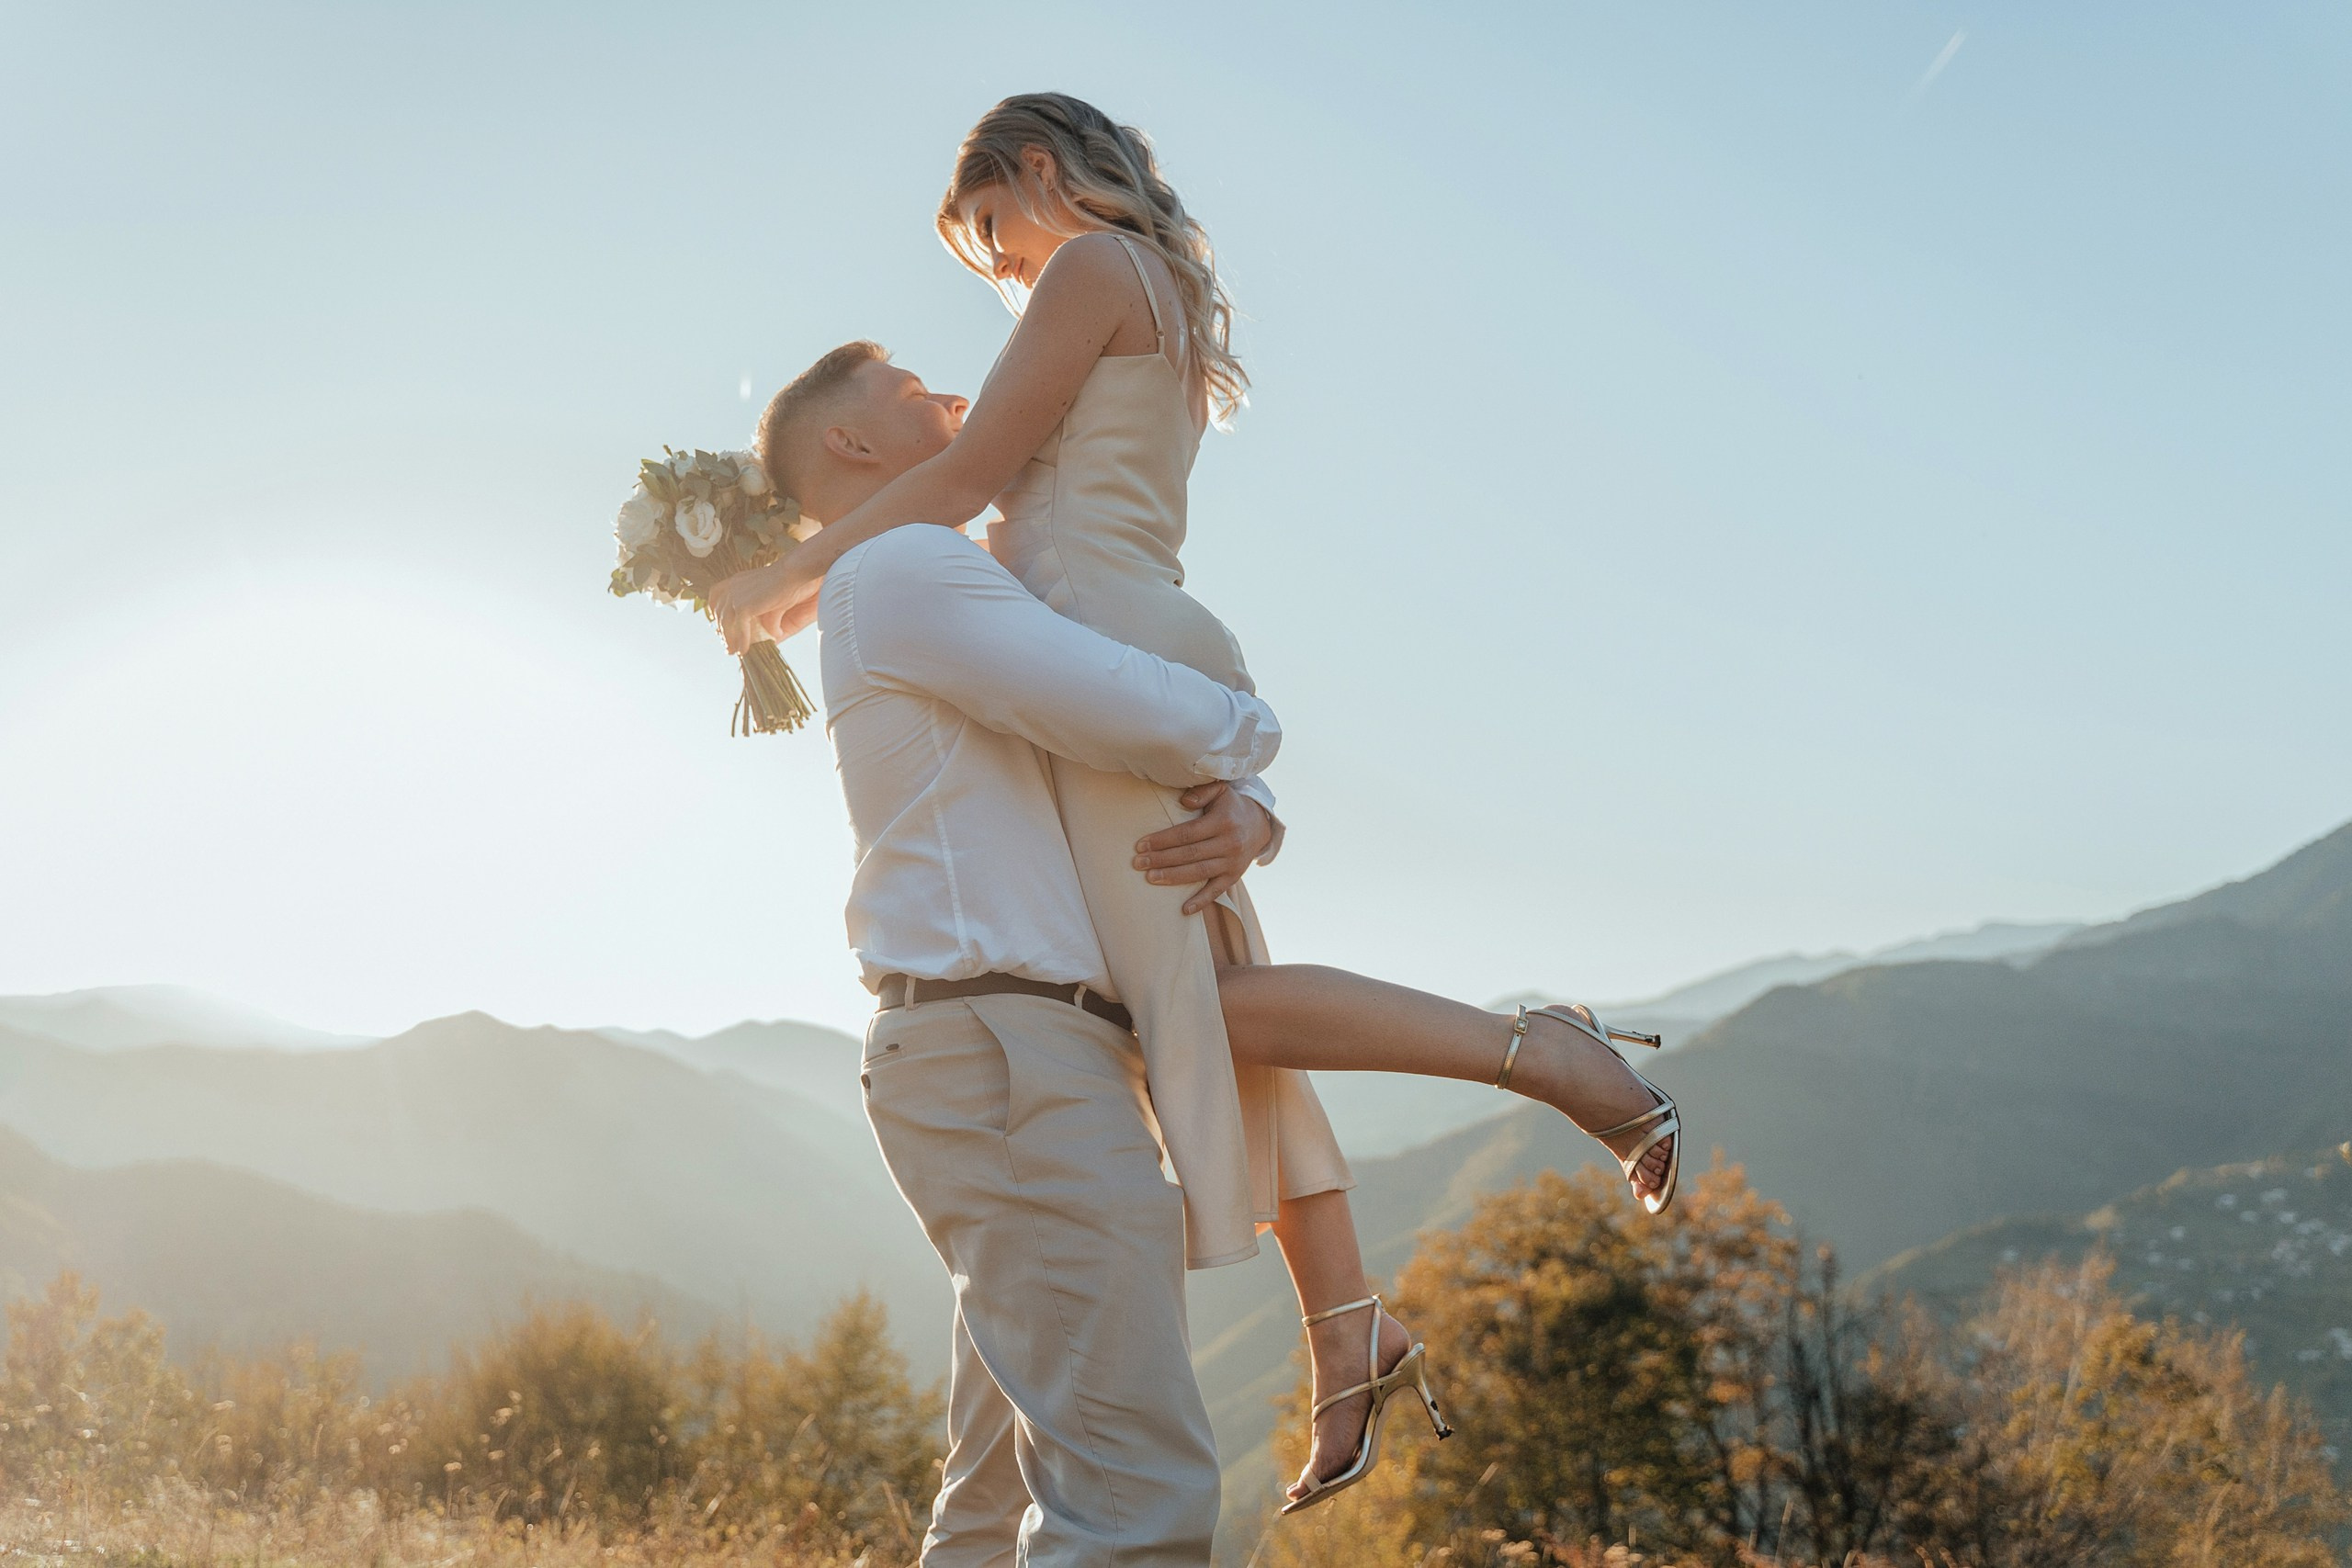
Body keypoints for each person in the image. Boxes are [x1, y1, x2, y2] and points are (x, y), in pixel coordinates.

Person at [715, 95, 1679, 1516]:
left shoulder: (1092, 272)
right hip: (1112, 630)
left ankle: (1543, 1052)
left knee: (1201, 1017)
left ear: (1039, 172)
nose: (996, 271)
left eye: (989, 229)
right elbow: (967, 487)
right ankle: (1346, 1321)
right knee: (1211, 995)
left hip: (1106, 638)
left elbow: (972, 479)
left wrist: (777, 588)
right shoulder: (1129, 284)